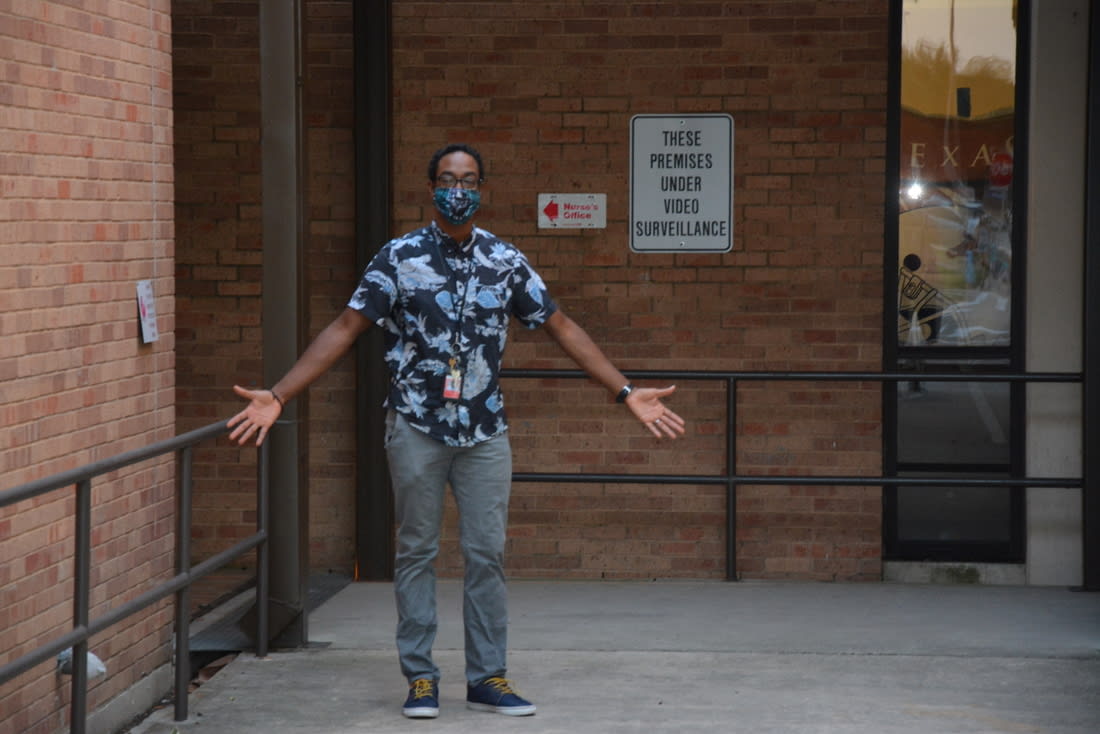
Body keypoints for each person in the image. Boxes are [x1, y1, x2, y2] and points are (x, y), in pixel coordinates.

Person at [228, 143, 686, 719]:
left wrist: (625, 391)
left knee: (486, 553)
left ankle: (488, 678)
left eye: (469, 180)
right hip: (416, 425)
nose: (458, 189)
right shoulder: (399, 257)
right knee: (417, 550)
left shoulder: (504, 259)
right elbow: (345, 326)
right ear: (431, 188)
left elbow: (561, 325)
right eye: (448, 179)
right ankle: (420, 678)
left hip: (485, 432)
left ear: (481, 188)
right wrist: (279, 394)